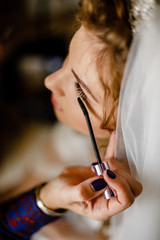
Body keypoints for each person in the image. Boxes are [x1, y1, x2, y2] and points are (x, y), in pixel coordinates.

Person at [0, 0, 144, 239]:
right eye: (67, 58)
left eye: (80, 91)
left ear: (124, 122)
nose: (49, 81)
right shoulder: (70, 138)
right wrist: (47, 199)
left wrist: (49, 206)